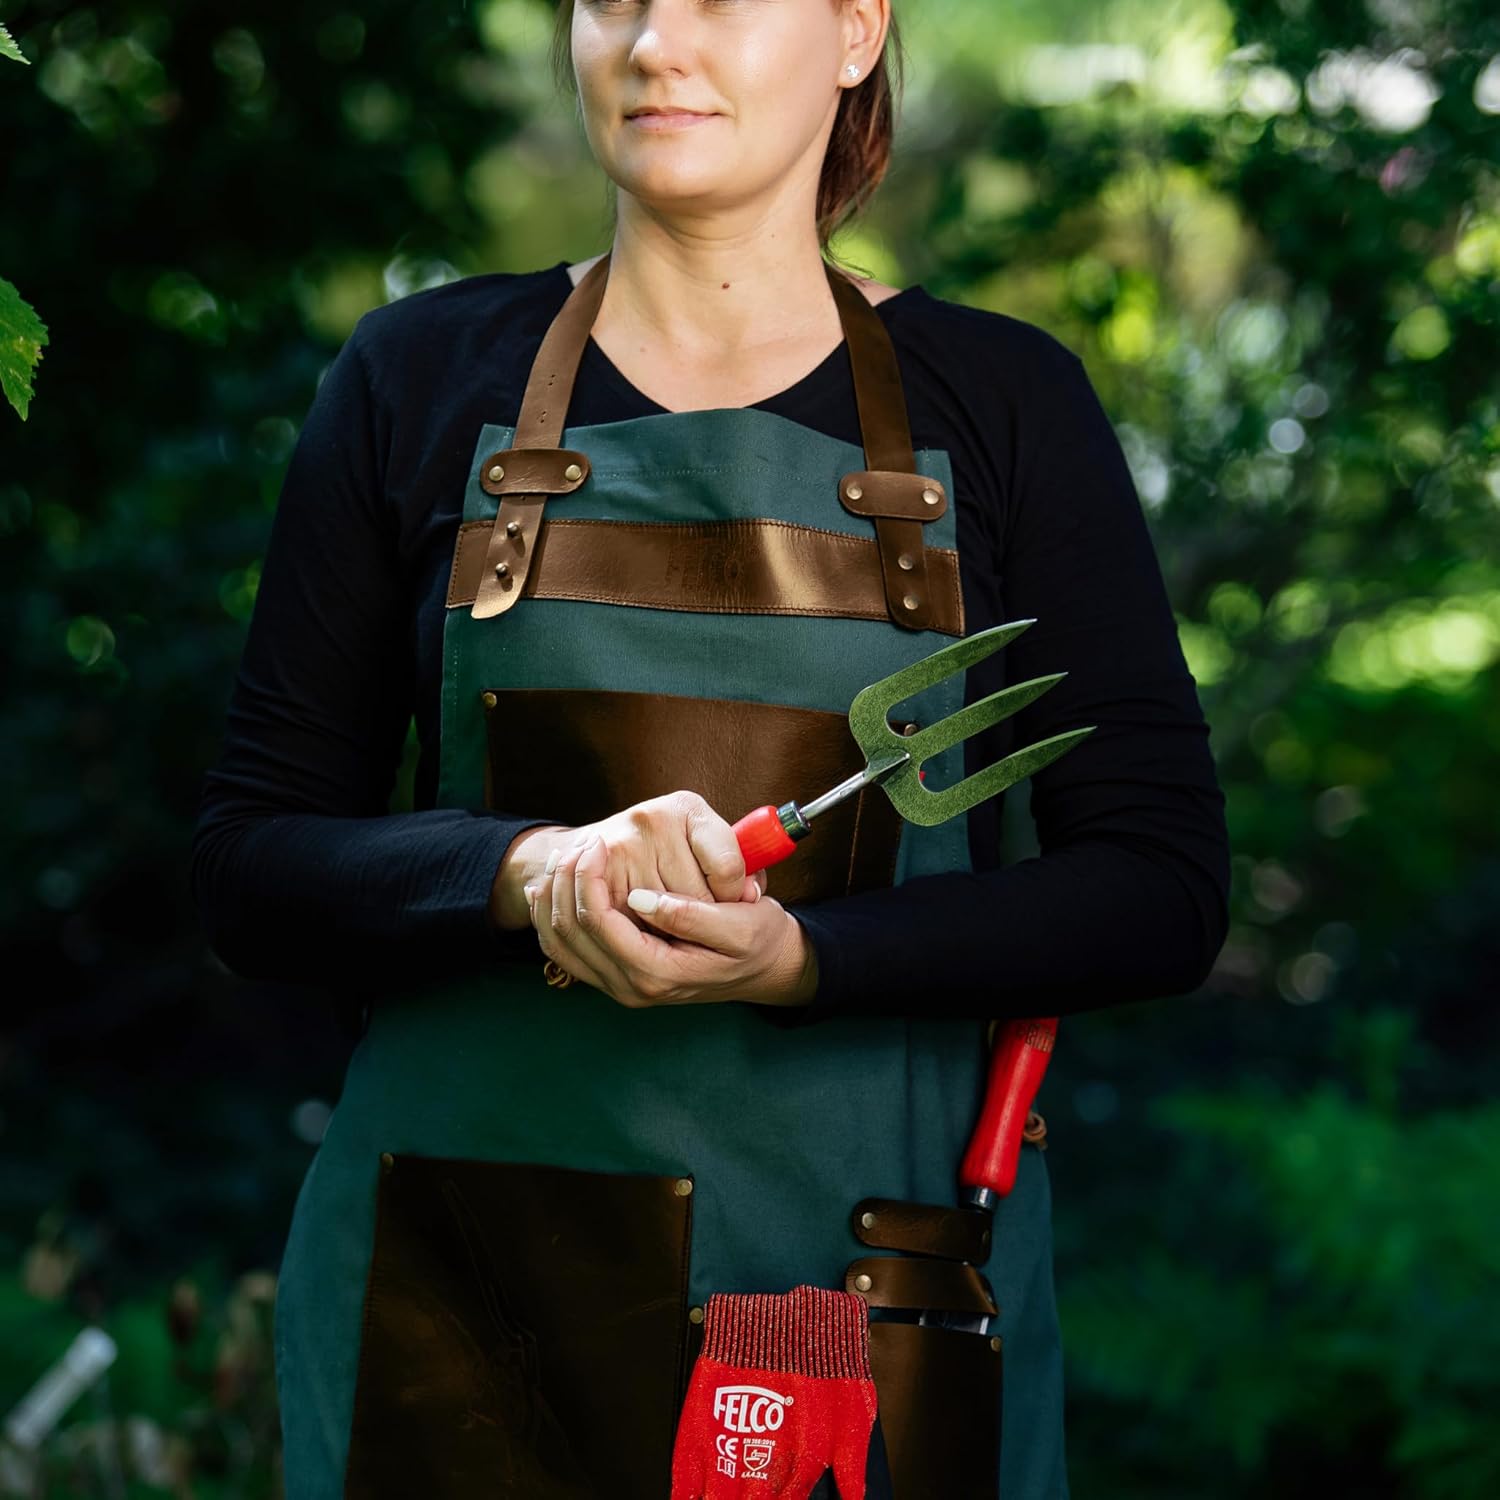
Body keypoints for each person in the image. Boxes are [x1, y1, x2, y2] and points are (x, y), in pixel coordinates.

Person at [190, 0, 1230, 1496]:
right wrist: (526, 871)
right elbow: (250, 864)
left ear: (858, 31)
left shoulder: (1004, 406)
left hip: (845, 1306)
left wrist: (809, 960)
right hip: (462, 1312)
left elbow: (1160, 887)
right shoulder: (418, 377)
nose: (655, 42)